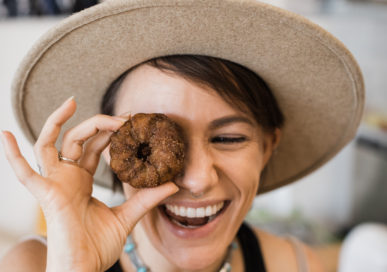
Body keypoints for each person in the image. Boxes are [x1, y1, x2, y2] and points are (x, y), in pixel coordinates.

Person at [0, 0, 364, 271]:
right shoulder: (34, 265)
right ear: (110, 149)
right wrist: (75, 264)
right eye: (155, 143)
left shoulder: (299, 266)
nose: (197, 179)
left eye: (228, 138)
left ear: (268, 147)